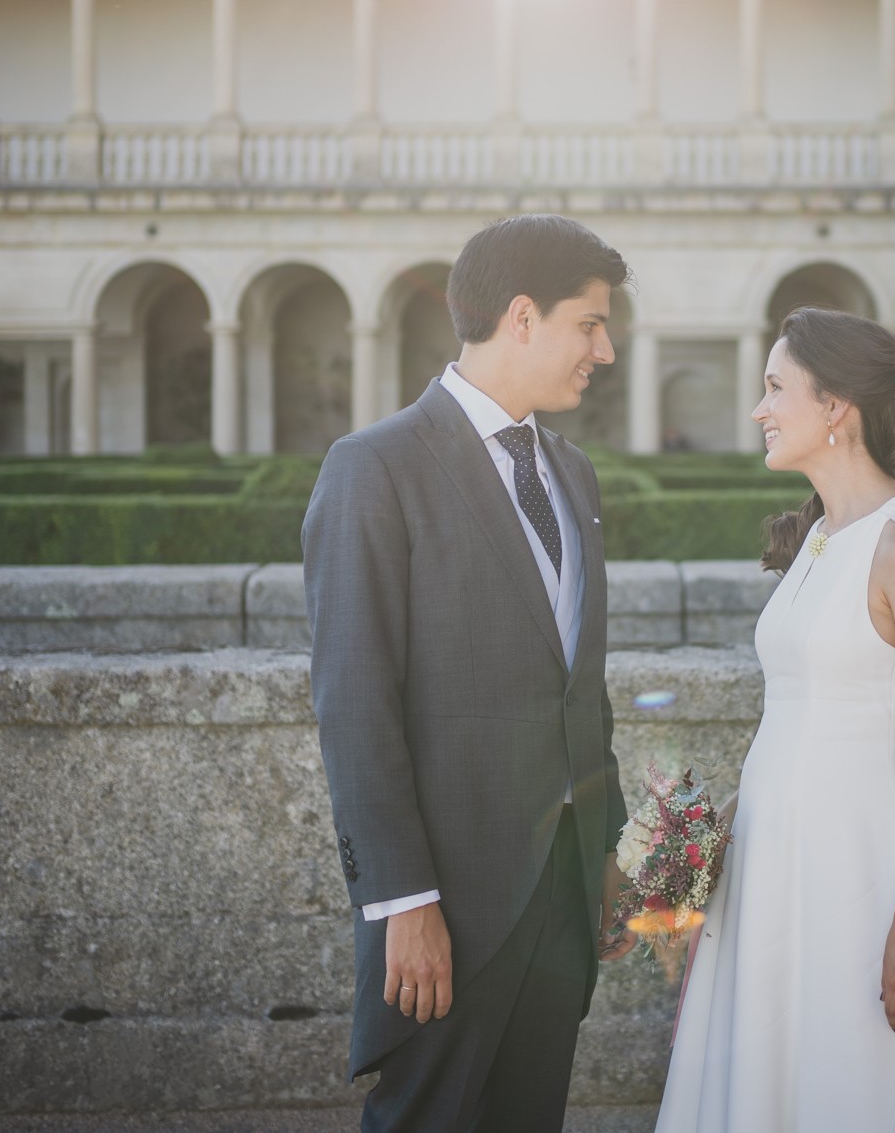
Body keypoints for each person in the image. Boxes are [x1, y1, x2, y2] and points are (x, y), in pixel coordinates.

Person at [303, 213, 638, 1133]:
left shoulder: (574, 473)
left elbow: (579, 687)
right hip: (446, 910)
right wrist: (402, 901)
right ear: (523, 317)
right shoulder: (372, 468)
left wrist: (606, 848)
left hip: (563, 900)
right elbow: (354, 705)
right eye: (590, 324)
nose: (604, 351)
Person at [654, 305, 895, 1132]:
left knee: (850, 1079)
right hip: (772, 868)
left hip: (862, 872)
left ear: (835, 407)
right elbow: (793, 719)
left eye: (776, 387)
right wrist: (704, 846)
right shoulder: (820, 535)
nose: (760, 408)